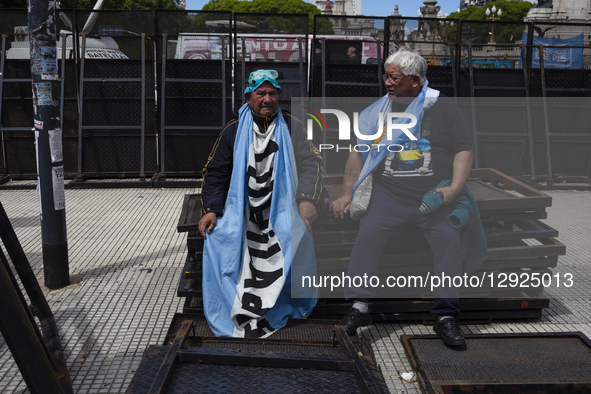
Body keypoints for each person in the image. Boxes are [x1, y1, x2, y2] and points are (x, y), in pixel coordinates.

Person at [330, 50, 483, 346]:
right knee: (369, 234)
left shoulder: (442, 107)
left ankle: (445, 316)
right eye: (386, 76)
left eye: (394, 77)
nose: (387, 82)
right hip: (389, 195)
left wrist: (453, 189)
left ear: (414, 81)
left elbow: (464, 149)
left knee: (448, 242)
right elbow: (357, 153)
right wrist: (347, 193)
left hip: (433, 196)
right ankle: (360, 306)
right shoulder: (377, 111)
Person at [198, 70, 326, 339]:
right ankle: (234, 304)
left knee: (297, 232)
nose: (267, 99)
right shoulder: (232, 130)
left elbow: (310, 163)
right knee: (220, 237)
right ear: (248, 98)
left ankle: (281, 302)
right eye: (261, 93)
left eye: (273, 93)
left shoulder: (292, 126)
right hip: (241, 209)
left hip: (282, 206)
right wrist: (211, 209)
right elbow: (216, 171)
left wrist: (306, 200)